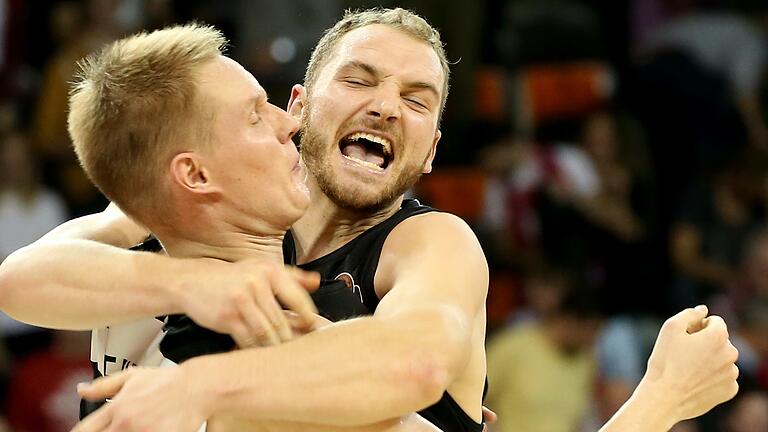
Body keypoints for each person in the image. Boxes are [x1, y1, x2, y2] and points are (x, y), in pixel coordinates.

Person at [0, 8, 738, 432]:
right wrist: (191, 285)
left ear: (428, 154)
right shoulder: (210, 220)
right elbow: (25, 277)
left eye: (418, 100)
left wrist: (656, 402)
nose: (387, 104)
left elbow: (411, 362)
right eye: (359, 79)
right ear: (297, 108)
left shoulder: (431, 240)